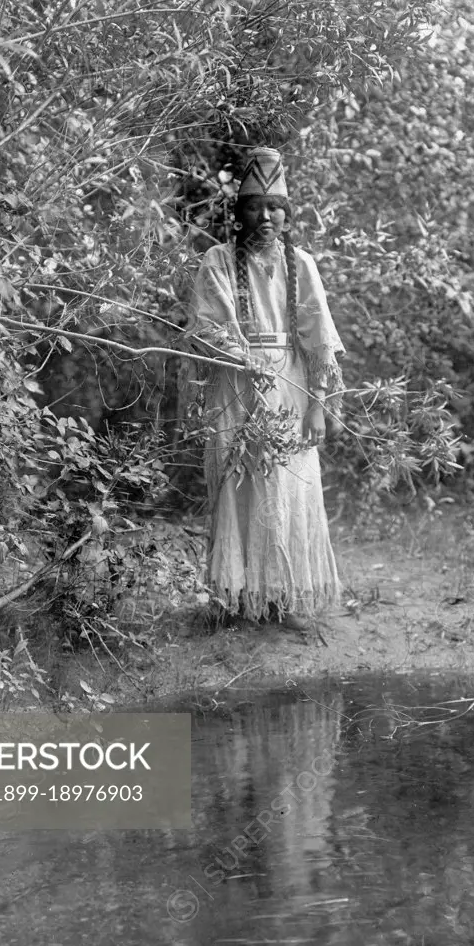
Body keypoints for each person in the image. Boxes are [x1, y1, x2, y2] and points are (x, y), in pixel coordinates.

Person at [187, 147, 345, 633]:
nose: (266, 217)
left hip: (290, 388)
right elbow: (204, 328)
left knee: (290, 489)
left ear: (287, 213)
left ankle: (288, 597)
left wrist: (317, 407)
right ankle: (238, 600)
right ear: (240, 212)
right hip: (236, 385)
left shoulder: (302, 265)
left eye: (275, 207)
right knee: (239, 487)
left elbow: (318, 340)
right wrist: (241, 357)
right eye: (255, 206)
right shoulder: (217, 260)